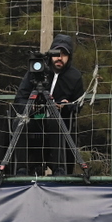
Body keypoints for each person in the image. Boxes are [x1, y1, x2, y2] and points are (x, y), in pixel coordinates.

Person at [11, 33, 85, 175]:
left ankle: (59, 170)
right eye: (56, 53)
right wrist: (30, 107)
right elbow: (19, 98)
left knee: (55, 120)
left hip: (58, 119)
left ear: (69, 57)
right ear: (50, 54)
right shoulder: (37, 70)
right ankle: (21, 169)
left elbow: (79, 104)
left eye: (64, 54)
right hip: (34, 117)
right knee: (19, 122)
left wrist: (66, 106)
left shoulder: (75, 76)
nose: (59, 58)